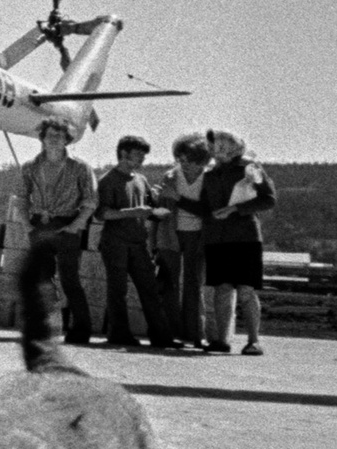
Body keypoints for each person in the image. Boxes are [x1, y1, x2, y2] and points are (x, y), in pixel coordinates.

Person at [16, 118, 97, 346]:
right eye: (50, 135)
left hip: (67, 226)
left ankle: (80, 331)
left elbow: (90, 200)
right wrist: (27, 225)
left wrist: (75, 225)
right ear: (42, 138)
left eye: (59, 136)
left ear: (67, 140)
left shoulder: (80, 167)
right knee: (42, 280)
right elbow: (21, 198)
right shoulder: (30, 166)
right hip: (40, 226)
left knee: (70, 280)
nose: (54, 140)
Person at [94, 135, 176, 349]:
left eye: (143, 156)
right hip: (115, 243)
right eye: (138, 155)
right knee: (117, 290)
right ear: (123, 154)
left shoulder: (141, 180)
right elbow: (101, 214)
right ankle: (118, 334)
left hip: (138, 243)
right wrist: (134, 212)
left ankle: (161, 336)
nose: (142, 160)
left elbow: (147, 208)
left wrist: (157, 212)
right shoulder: (107, 180)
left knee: (150, 288)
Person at [198, 129, 276, 355]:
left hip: (245, 237)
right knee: (222, 289)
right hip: (217, 238)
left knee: (246, 289)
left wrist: (236, 209)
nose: (212, 150)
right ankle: (222, 340)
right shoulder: (211, 174)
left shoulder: (250, 168)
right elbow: (205, 205)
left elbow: (268, 199)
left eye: (215, 145)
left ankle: (253, 340)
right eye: (211, 146)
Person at [156, 134, 213, 348]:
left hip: (198, 237)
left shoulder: (210, 178)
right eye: (181, 159)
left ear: (203, 161)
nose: (185, 165)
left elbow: (207, 211)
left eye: (191, 161)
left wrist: (178, 199)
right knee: (169, 283)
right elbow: (161, 208)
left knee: (194, 285)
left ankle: (197, 334)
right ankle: (170, 334)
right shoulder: (170, 176)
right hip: (170, 234)